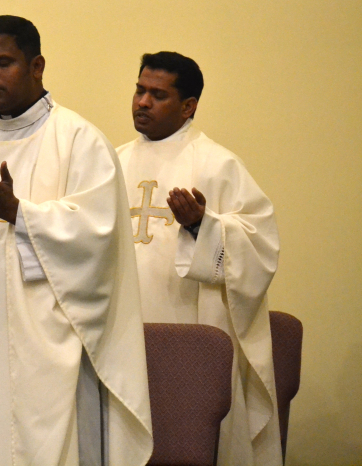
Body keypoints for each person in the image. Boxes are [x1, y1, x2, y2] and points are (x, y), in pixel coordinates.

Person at [0, 16, 153, 466]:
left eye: (3, 62)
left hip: (45, 348)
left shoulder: (78, 140)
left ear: (36, 65)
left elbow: (99, 238)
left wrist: (21, 213)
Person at [116, 51, 281, 466]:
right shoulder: (110, 162)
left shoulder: (217, 164)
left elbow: (261, 247)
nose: (142, 102)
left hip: (192, 333)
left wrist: (201, 227)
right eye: (139, 90)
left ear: (188, 106)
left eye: (158, 94)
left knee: (186, 437)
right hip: (121, 335)